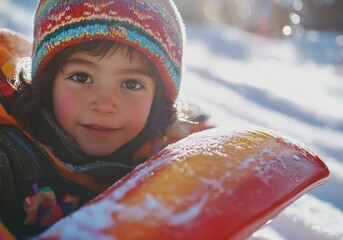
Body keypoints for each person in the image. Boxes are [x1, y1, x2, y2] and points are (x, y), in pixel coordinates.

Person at [0, 0, 210, 238]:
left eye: (131, 84)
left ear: (158, 99)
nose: (104, 105)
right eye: (81, 77)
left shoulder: (164, 145)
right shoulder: (9, 155)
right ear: (48, 83)